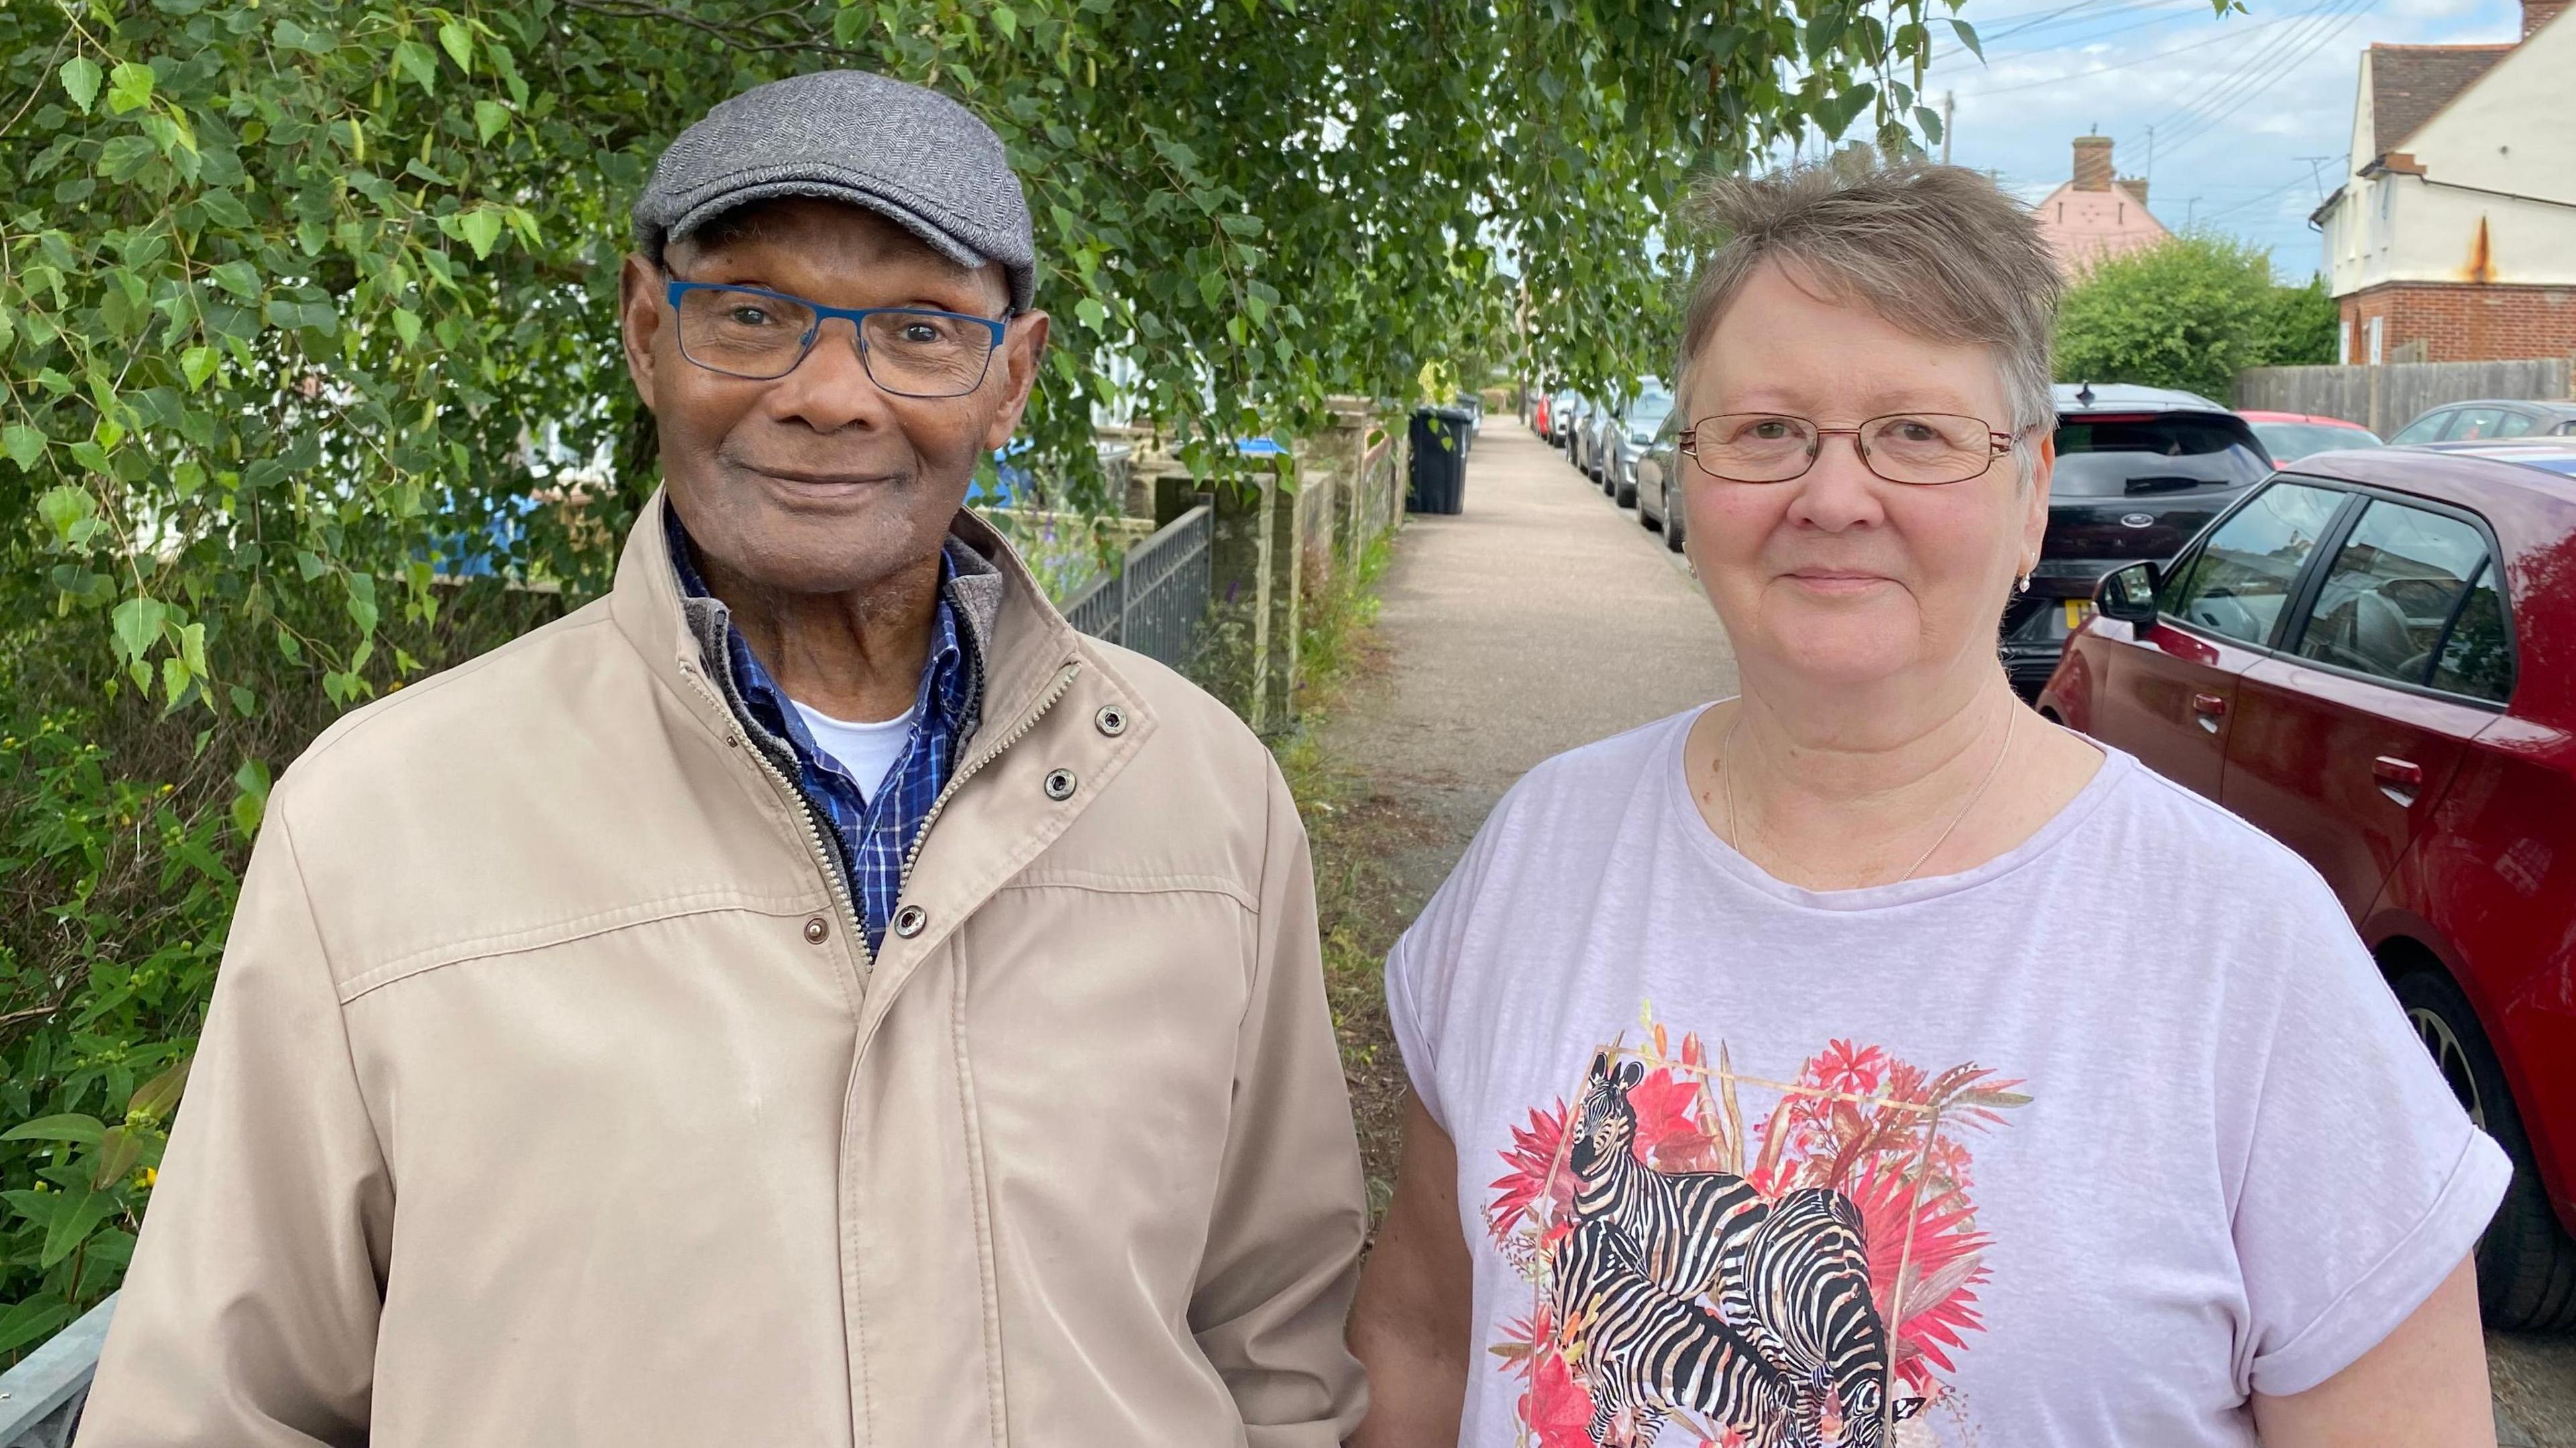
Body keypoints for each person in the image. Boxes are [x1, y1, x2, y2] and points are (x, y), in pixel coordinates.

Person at [78, 70, 1367, 1447]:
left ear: (1012, 377)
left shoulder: (1204, 799)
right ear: (647, 331)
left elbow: (1281, 1348)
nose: (828, 395)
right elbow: (217, 1408)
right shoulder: (379, 823)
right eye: (751, 314)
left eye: (921, 331)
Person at [1348, 160, 2506, 1448]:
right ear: (1693, 472)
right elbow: (1421, 1340)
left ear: (2030, 495)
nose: (1832, 497)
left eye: (1917, 433)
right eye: (1767, 429)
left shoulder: (2253, 955)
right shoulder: (1539, 857)